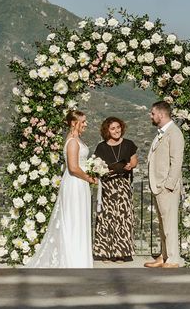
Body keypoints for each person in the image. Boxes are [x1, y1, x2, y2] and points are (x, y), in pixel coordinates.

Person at [25, 110, 98, 268]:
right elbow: (73, 167)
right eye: (83, 121)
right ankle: (74, 260)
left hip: (80, 183)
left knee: (79, 218)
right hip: (75, 183)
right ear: (74, 123)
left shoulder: (77, 139)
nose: (86, 124)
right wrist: (90, 178)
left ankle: (80, 258)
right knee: (74, 219)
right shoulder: (72, 141)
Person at [145, 100, 186, 268]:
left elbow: (176, 162)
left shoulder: (174, 133)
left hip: (166, 187)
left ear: (161, 114)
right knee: (163, 224)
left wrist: (168, 185)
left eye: (153, 113)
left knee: (169, 223)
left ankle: (173, 259)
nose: (151, 116)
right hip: (159, 186)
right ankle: (164, 255)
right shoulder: (162, 132)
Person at [92, 116, 139, 262]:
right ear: (107, 130)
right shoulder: (101, 147)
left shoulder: (129, 144)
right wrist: (107, 169)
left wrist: (131, 165)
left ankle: (121, 253)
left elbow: (134, 160)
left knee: (123, 219)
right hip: (107, 186)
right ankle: (105, 252)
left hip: (123, 185)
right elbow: (96, 165)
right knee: (106, 218)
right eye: (113, 128)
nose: (116, 130)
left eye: (118, 127)